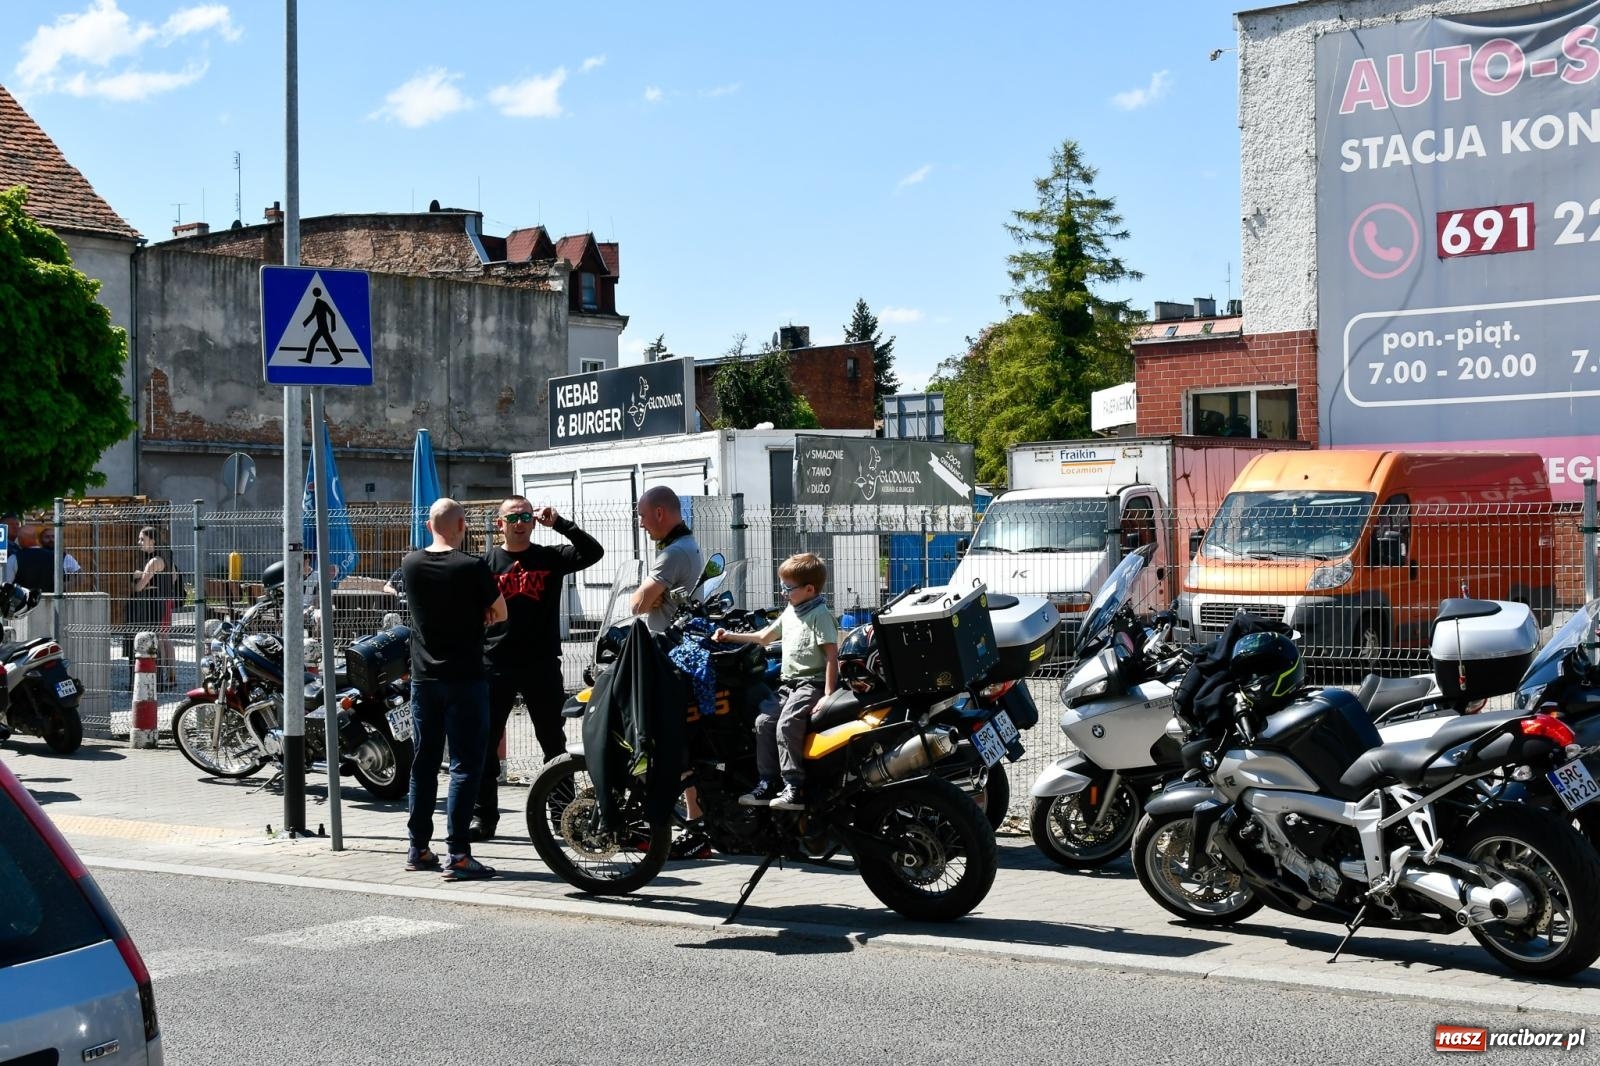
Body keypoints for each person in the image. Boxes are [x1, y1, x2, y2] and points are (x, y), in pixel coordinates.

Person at [472, 498, 603, 840]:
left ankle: (563, 815)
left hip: (541, 663)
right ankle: (484, 818)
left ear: (533, 522)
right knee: (485, 743)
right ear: (499, 524)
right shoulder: (484, 564)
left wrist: (560, 523)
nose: (520, 522)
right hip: (495, 663)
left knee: (553, 742)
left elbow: (594, 552)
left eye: (526, 516)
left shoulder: (550, 557)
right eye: (513, 517)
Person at [401, 498, 507, 881]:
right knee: (465, 766)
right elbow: (502, 613)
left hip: (424, 680)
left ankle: (418, 848)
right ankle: (459, 855)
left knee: (423, 763)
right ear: (463, 524)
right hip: (465, 678)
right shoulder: (473, 567)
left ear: (429, 525)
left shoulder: (410, 564)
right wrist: (478, 612)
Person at [713, 553, 839, 810]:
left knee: (786, 724)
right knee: (763, 722)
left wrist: (827, 694)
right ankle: (768, 782)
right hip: (788, 686)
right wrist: (729, 636)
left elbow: (831, 656)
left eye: (787, 588)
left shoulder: (820, 615)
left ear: (809, 589)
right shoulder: (792, 612)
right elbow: (764, 637)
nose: (783, 593)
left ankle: (794, 786)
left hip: (810, 685)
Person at [628, 486, 709, 856]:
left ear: (660, 512)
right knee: (679, 744)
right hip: (677, 651)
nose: (642, 524)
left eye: (643, 516)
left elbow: (638, 603)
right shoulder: (686, 545)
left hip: (668, 656)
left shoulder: (673, 553)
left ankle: (674, 820)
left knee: (664, 741)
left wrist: (648, 596)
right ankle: (694, 818)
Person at [130, 526, 178, 687]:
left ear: (153, 540)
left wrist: (135, 577)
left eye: (142, 539)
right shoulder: (167, 555)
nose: (139, 542)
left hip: (157, 604)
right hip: (167, 600)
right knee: (165, 638)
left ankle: (161, 679)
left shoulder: (153, 561)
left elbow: (140, 586)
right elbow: (174, 577)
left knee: (158, 639)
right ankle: (171, 677)